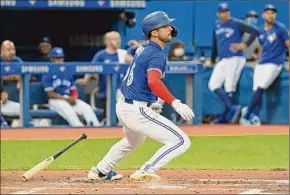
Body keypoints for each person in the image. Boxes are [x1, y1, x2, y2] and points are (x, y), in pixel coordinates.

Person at [87, 11, 194, 182]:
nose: (170, 28)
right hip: (136, 109)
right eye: (165, 26)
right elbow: (153, 81)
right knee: (181, 141)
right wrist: (174, 102)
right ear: (154, 32)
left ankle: (100, 170)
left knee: (132, 141)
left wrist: (153, 101)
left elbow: (139, 78)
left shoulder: (144, 47)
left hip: (125, 104)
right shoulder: (156, 54)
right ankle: (147, 168)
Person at [239, 4, 290, 126]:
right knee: (257, 90)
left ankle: (247, 113)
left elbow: (288, 45)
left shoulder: (280, 29)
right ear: (263, 15)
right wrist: (258, 60)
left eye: (272, 13)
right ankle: (255, 116)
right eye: (268, 13)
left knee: (261, 87)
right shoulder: (260, 30)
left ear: (275, 15)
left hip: (275, 63)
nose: (270, 15)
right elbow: (262, 46)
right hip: (262, 63)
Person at [209, 2, 257, 124]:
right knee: (213, 84)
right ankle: (231, 108)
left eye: (226, 11)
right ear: (218, 13)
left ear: (228, 12)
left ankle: (226, 115)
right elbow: (215, 43)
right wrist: (213, 59)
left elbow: (254, 31)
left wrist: (244, 45)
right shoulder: (217, 24)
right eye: (222, 12)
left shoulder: (236, 23)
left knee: (229, 86)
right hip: (222, 59)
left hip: (235, 57)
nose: (224, 13)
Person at [41, 47, 101, 127]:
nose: (60, 60)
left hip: (68, 99)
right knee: (69, 111)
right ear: (52, 59)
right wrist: (66, 99)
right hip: (55, 101)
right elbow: (51, 94)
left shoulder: (67, 72)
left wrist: (74, 98)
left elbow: (73, 90)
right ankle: (79, 129)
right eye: (57, 58)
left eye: (61, 58)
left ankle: (96, 128)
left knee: (87, 108)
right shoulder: (47, 74)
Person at [90, 31, 133, 122]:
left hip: (122, 92)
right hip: (105, 92)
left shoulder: (123, 54)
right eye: (115, 39)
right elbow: (91, 70)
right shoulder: (101, 55)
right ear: (107, 41)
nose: (118, 41)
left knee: (124, 119)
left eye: (119, 38)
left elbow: (137, 64)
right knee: (108, 119)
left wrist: (133, 53)